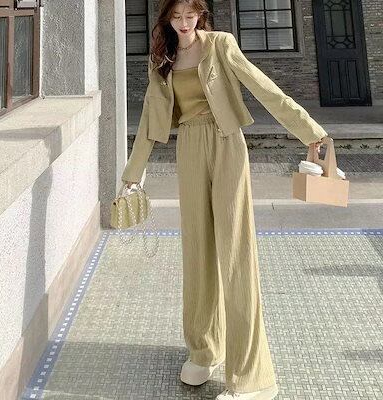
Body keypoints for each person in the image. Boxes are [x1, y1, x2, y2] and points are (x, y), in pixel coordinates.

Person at [121, 1, 326, 399]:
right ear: (166, 19)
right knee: (197, 250)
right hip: (189, 146)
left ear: (201, 15)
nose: (183, 23)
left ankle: (253, 378)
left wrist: (309, 130)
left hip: (227, 143)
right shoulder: (162, 57)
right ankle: (204, 350)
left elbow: (262, 86)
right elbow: (150, 116)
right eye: (176, 17)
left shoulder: (220, 44)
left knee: (236, 253)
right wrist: (133, 175)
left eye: (190, 15)